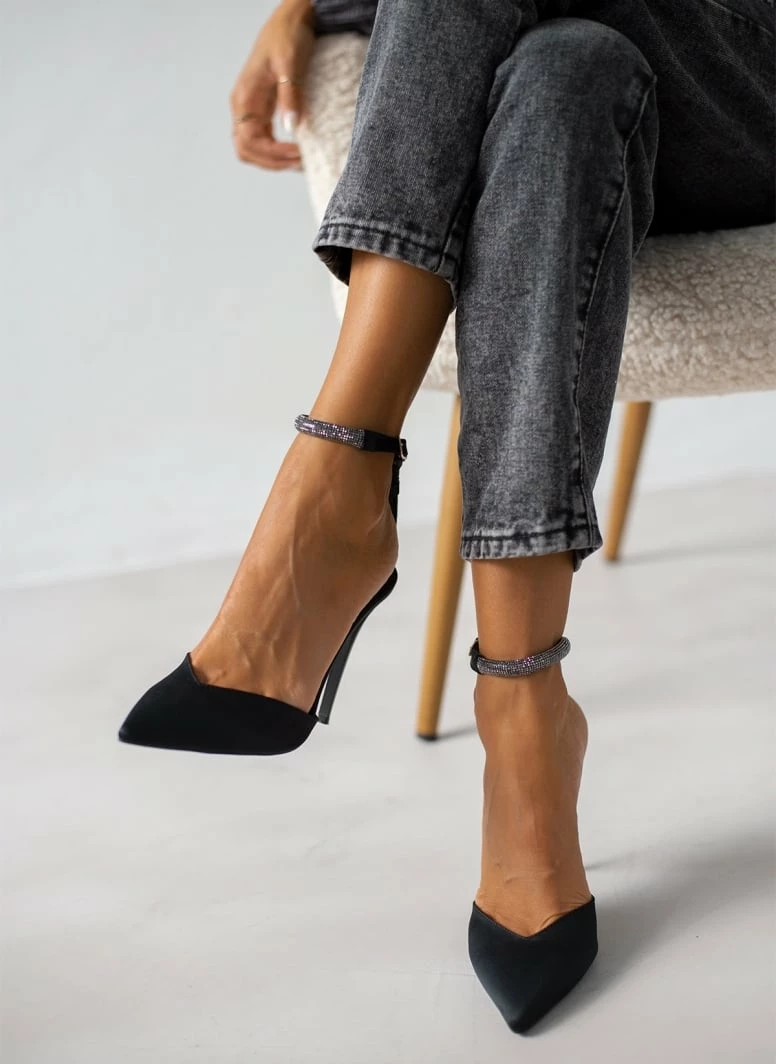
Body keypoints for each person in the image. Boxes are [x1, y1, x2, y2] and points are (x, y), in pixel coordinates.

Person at [118, 0, 775, 1034]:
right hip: (611, 79)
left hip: (746, 86)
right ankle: (525, 713)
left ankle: (335, 487)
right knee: (565, 76)